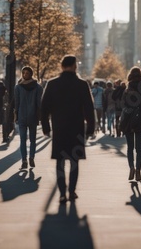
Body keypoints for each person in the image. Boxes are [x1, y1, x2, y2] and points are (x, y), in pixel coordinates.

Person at [41, 55, 95, 203]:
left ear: (61, 66)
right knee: (74, 161)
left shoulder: (52, 84)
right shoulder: (82, 85)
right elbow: (89, 109)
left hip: (59, 127)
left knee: (59, 161)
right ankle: (71, 191)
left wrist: (46, 127)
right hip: (76, 127)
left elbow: (44, 108)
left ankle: (62, 193)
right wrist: (90, 127)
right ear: (74, 66)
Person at [120, 67, 141, 182]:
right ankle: (138, 170)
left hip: (128, 121)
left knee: (130, 148)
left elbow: (123, 104)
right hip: (140, 121)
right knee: (139, 148)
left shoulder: (127, 89)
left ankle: (131, 167)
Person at [15, 66, 43, 169]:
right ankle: (27, 159)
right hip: (29, 117)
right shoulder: (37, 87)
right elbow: (17, 103)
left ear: (31, 74)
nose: (25, 75)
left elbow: (17, 104)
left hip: (26, 117)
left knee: (28, 139)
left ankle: (28, 159)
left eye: (27, 73)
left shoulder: (18, 87)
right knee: (27, 140)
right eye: (23, 73)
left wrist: (16, 115)